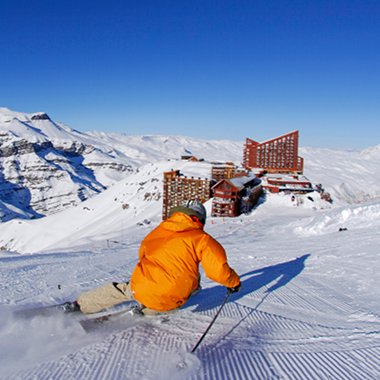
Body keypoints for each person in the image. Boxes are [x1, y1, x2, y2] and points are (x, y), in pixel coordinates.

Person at [65, 200, 241, 315]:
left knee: (124, 289)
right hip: (172, 296)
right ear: (199, 219)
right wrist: (233, 283)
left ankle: (80, 306)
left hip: (142, 287)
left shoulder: (158, 232)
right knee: (185, 288)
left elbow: (143, 255)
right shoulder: (203, 240)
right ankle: (147, 311)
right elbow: (217, 270)